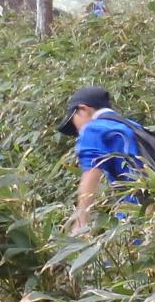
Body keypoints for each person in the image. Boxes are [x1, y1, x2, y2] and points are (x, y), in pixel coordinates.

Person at [58, 86, 142, 231]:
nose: (78, 131)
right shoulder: (132, 125)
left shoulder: (93, 129)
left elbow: (90, 177)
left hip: (137, 215)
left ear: (83, 109)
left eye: (74, 122)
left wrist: (80, 224)